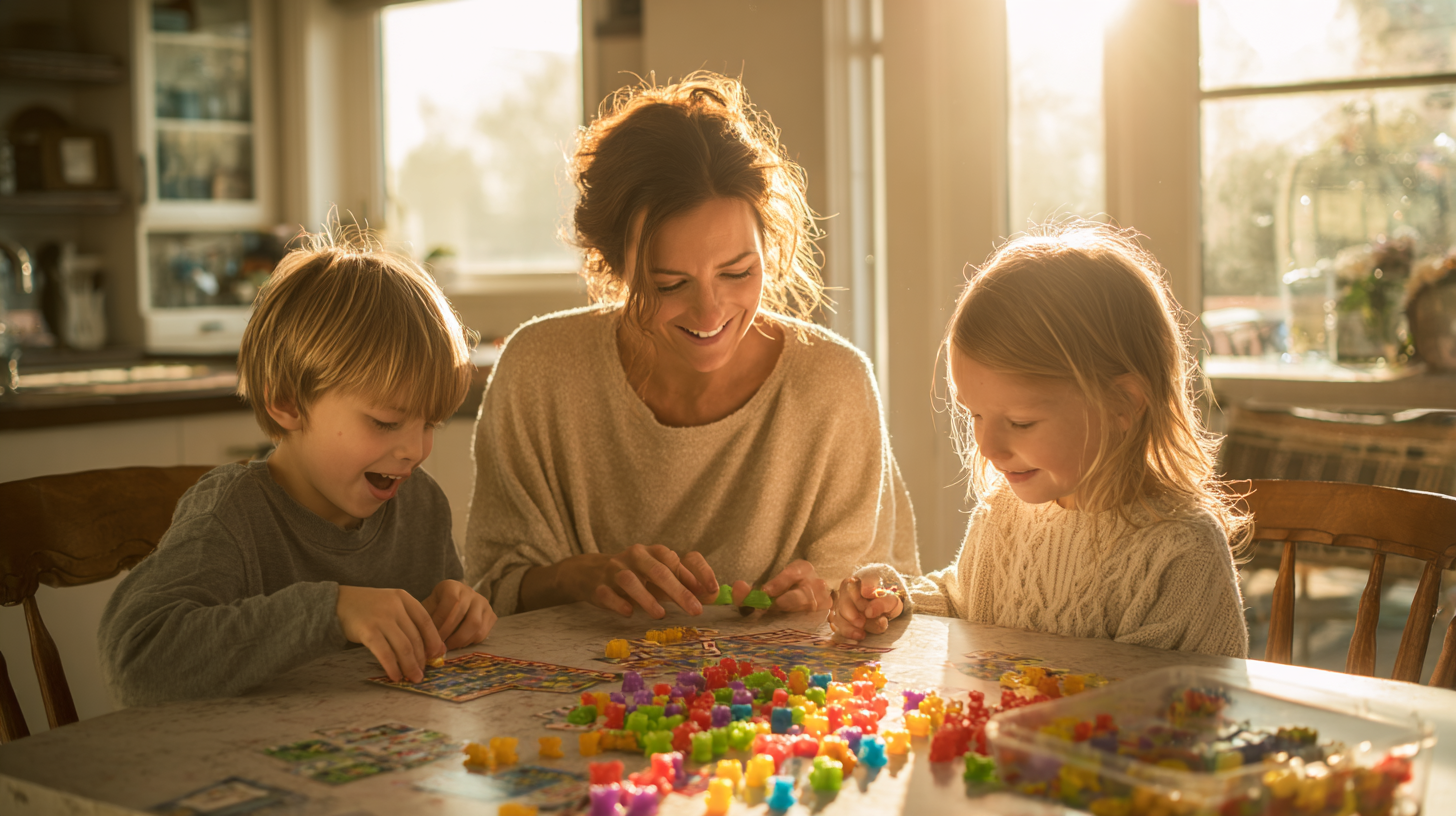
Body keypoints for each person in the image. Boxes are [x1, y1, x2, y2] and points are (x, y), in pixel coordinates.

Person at [465, 72, 919, 619]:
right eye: (669, 284)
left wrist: (832, 604)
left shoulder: (835, 385)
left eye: (737, 271)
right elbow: (487, 591)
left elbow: (887, 604)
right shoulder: (537, 369)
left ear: (769, 249)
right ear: (613, 265)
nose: (710, 313)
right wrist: (574, 577)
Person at [99, 234, 497, 705]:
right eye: (386, 422)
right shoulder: (232, 514)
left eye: (429, 423)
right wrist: (331, 610)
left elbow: (424, 661)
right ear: (288, 402)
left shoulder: (421, 505)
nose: (414, 449)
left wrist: (457, 612)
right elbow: (136, 659)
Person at [830, 222, 1250, 658]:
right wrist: (889, 603)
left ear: (1122, 404)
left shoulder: (1179, 550)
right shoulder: (1003, 515)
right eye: (974, 414)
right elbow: (962, 603)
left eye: (1021, 422)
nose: (989, 448)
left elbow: (1154, 706)